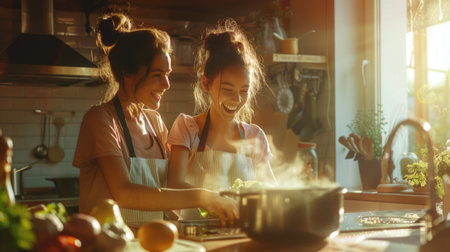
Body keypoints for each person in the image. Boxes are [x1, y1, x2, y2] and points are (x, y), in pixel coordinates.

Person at [72, 13, 237, 229]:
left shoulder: (154, 121)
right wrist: (202, 196)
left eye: (168, 74)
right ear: (128, 73)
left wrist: (219, 198)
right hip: (108, 244)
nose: (167, 84)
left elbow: (169, 189)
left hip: (151, 243)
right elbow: (125, 194)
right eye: (158, 74)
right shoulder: (101, 120)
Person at [167, 19, 277, 219]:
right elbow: (174, 185)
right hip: (196, 237)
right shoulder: (187, 128)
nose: (237, 99)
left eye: (244, 91)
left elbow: (271, 190)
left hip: (242, 235)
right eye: (227, 89)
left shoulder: (254, 136)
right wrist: (211, 199)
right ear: (206, 83)